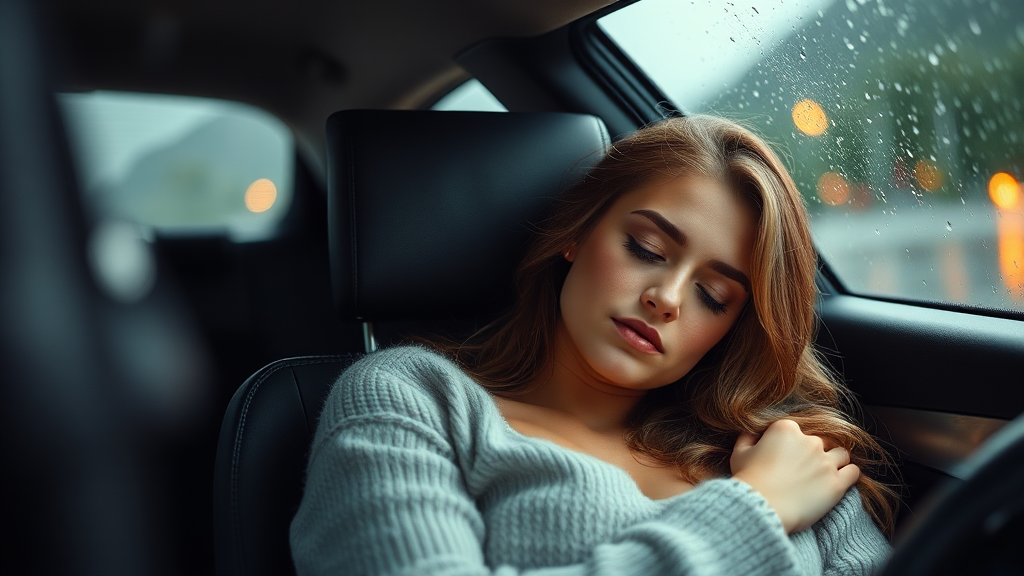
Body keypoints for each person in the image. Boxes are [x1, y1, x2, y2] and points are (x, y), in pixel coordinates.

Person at [290, 115, 897, 576]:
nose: (667, 297)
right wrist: (751, 512)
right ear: (577, 234)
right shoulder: (412, 398)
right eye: (647, 250)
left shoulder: (783, 449)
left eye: (713, 295)